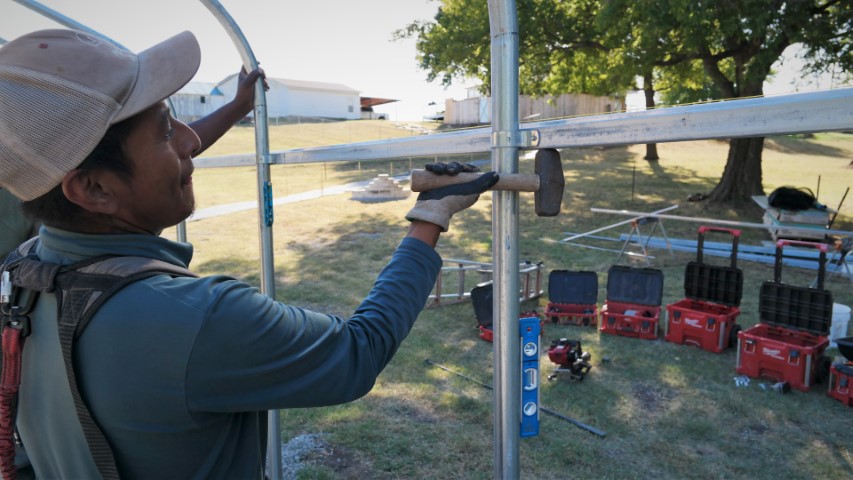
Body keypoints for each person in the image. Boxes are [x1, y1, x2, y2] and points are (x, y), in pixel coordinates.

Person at [0, 28, 496, 479]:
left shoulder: (19, 279)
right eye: (166, 131)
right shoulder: (188, 319)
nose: (192, 141)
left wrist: (235, 108)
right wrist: (431, 216)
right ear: (92, 189)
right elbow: (356, 352)